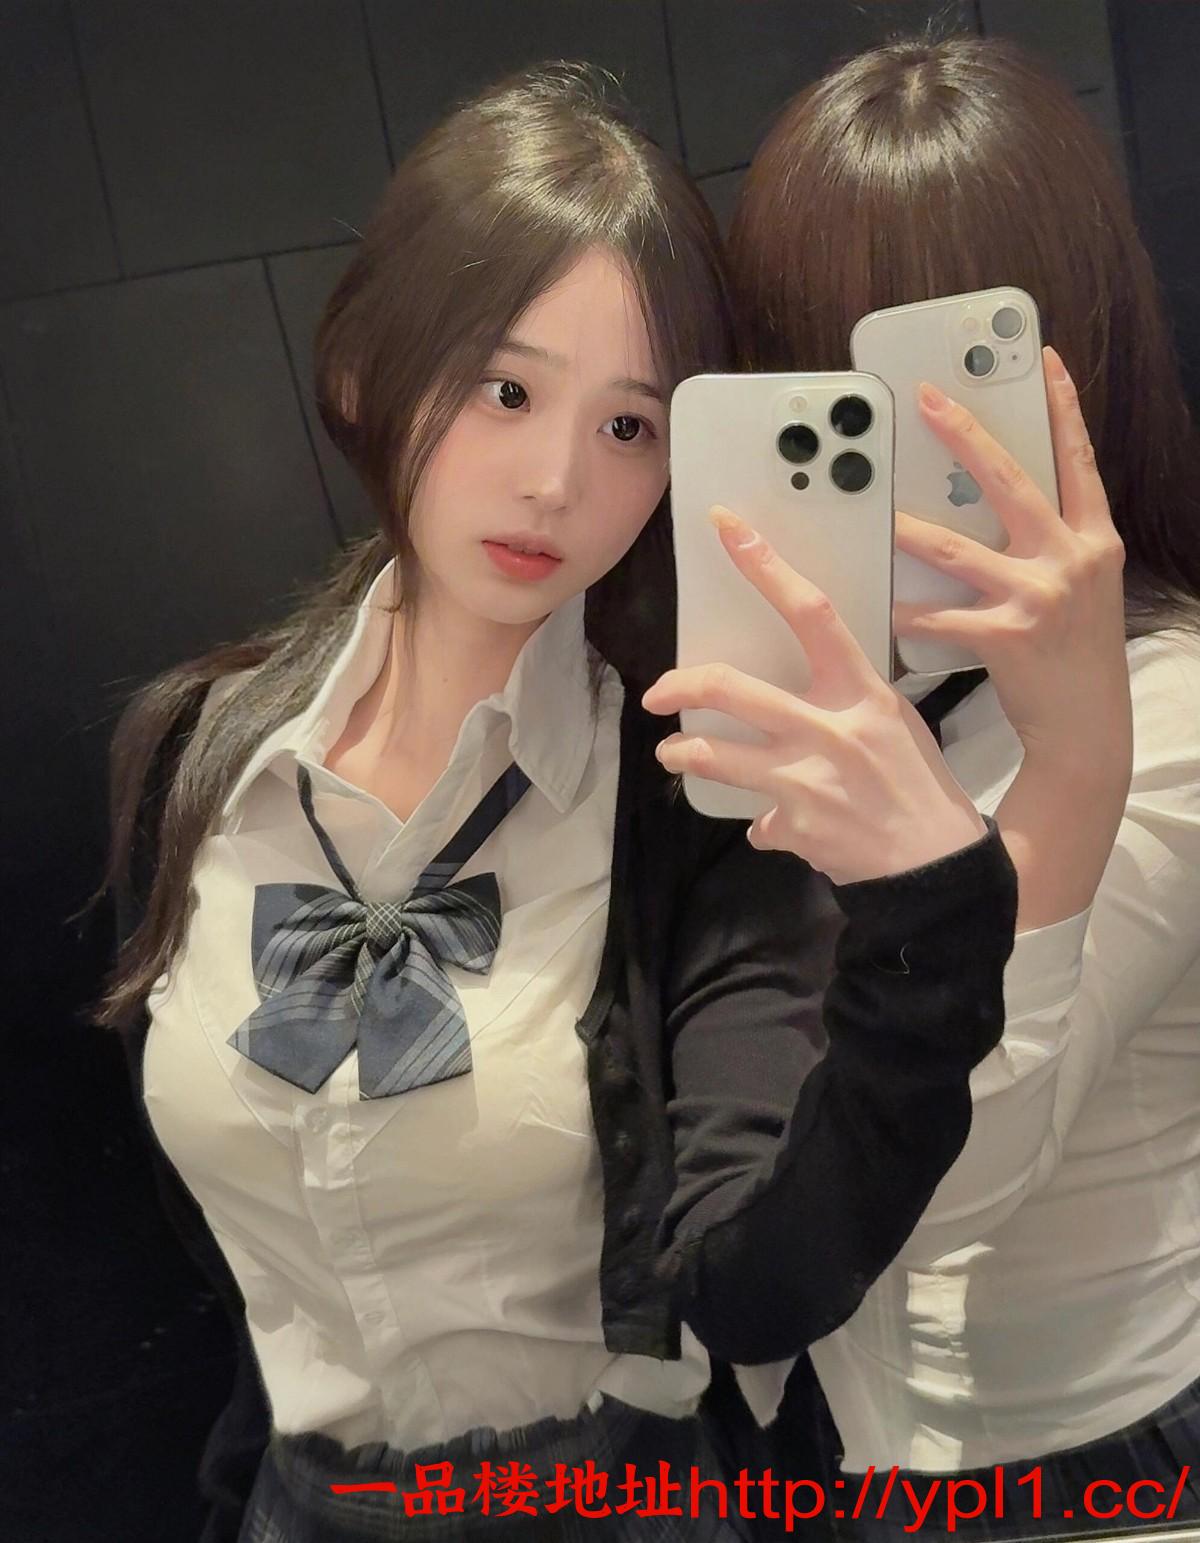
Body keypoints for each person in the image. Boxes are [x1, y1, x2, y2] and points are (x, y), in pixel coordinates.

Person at [90, 63, 1021, 1543]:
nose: (555, 481)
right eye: (505, 389)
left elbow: (757, 1285)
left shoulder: (686, 806)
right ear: (365, 370)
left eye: (629, 427)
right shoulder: (200, 756)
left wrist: (928, 931)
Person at [724, 34, 1200, 1537]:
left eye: (942, 378)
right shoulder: (840, 685)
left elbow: (951, 1184)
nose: (892, 438)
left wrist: (1070, 768)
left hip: (1088, 1461)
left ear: (1079, 360)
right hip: (843, 1433)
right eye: (829, 368)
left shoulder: (1170, 711)